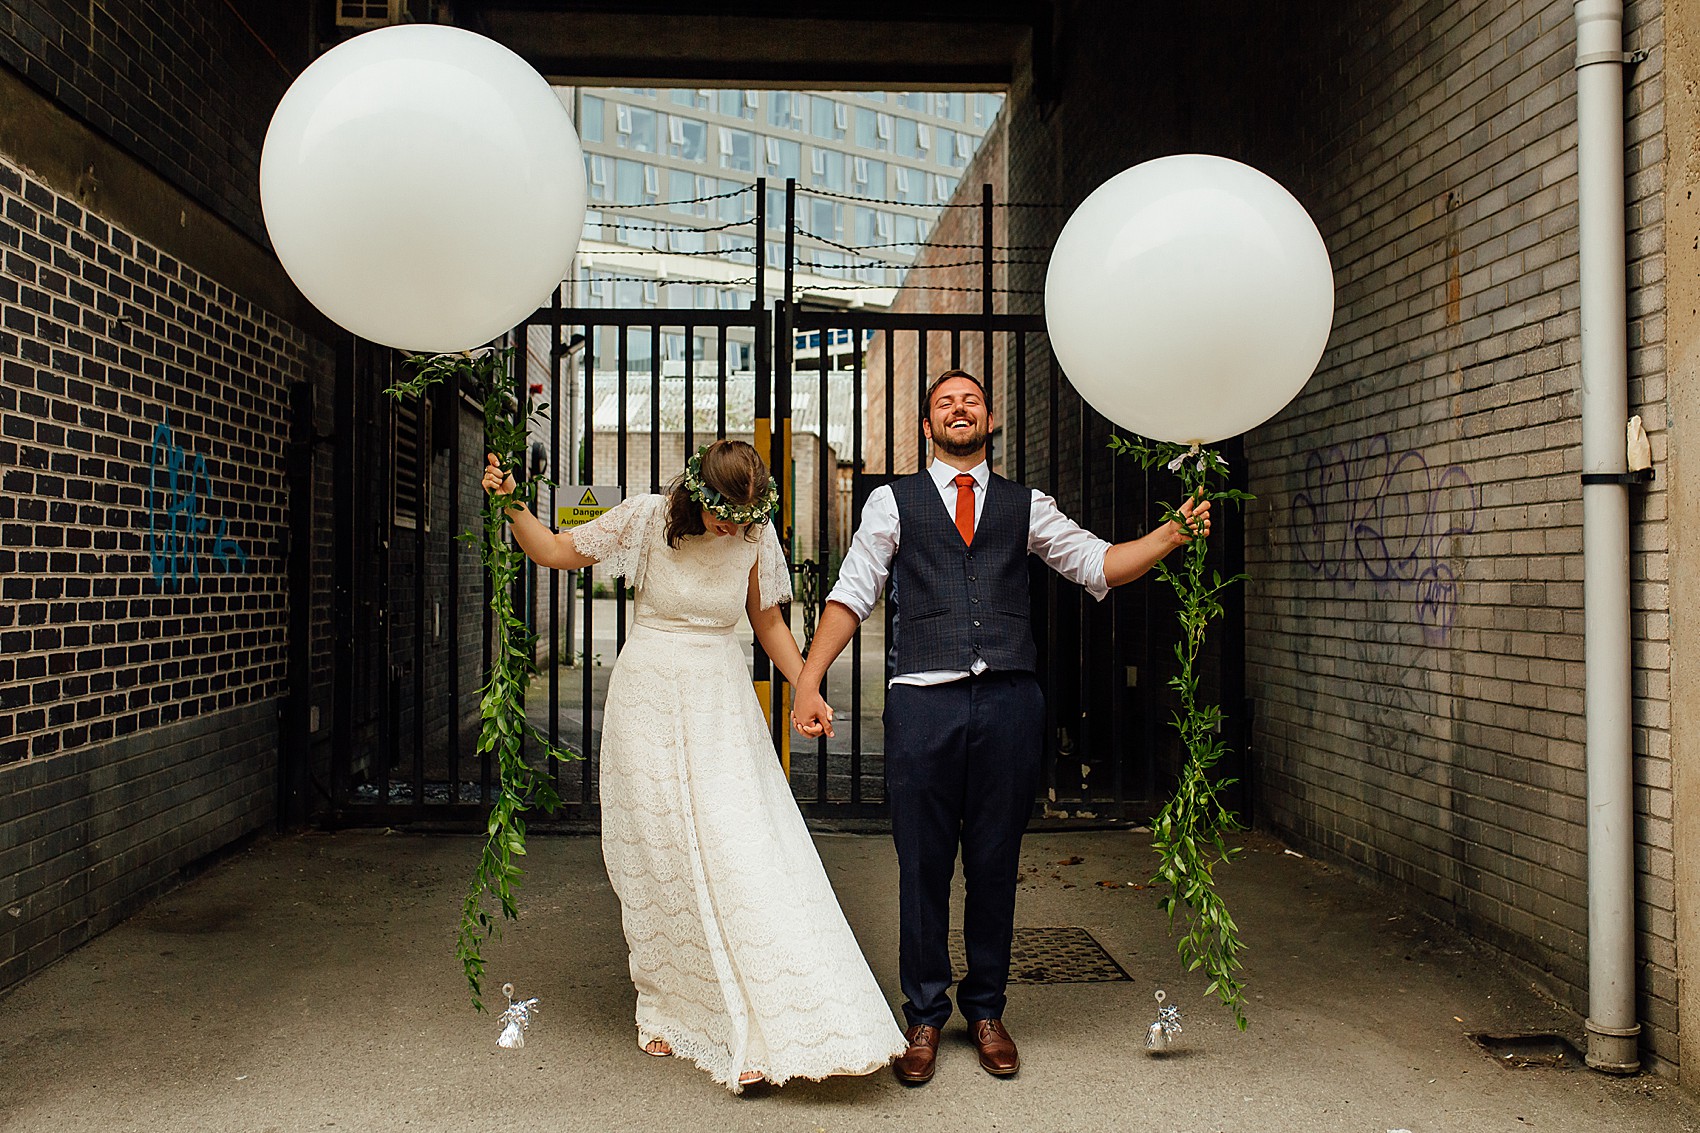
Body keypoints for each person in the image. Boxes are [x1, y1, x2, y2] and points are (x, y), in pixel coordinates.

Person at [790, 369, 1210, 1085]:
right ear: (927, 427)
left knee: (992, 863)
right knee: (922, 863)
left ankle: (986, 1009)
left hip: (1010, 703)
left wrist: (1169, 536)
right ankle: (924, 1012)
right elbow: (851, 592)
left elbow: (1096, 562)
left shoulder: (1026, 504)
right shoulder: (892, 502)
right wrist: (807, 678)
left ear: (991, 420)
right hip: (923, 703)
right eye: (946, 402)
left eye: (972, 400)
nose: (960, 408)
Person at [481, 440, 907, 1094]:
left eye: (744, 518)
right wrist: (511, 504)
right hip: (648, 693)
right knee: (660, 851)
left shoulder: (755, 533)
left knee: (737, 845)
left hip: (719, 699)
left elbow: (767, 621)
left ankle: (767, 1003)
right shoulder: (647, 518)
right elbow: (555, 551)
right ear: (696, 497)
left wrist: (805, 684)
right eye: (722, 517)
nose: (734, 530)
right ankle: (661, 1003)